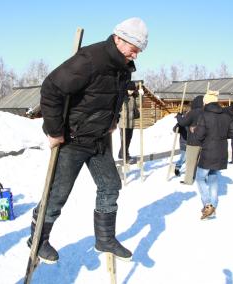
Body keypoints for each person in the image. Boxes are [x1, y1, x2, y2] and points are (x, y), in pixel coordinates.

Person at [27, 17, 148, 263]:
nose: (136, 55)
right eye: (134, 49)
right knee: (57, 194)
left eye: (140, 51)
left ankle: (105, 239)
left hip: (99, 139)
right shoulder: (90, 59)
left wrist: (112, 120)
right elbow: (51, 89)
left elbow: (111, 97)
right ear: (118, 39)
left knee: (110, 186)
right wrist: (55, 131)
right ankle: (38, 239)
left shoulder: (123, 67)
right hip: (72, 138)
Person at [193, 90, 233, 220]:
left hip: (208, 151)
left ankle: (208, 205)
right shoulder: (226, 115)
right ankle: (212, 206)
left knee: (200, 178)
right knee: (213, 177)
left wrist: (195, 130)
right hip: (221, 151)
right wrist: (221, 135)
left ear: (207, 102)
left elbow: (198, 136)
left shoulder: (204, 115)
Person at [176, 95, 204, 184]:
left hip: (193, 141)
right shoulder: (206, 112)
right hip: (204, 141)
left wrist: (179, 116)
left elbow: (183, 122)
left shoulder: (193, 112)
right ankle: (197, 177)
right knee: (199, 162)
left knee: (191, 162)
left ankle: (188, 180)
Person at [118, 84, 140, 163]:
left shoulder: (134, 97)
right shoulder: (122, 96)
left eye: (132, 90)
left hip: (131, 122)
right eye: (129, 90)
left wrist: (141, 95)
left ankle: (121, 153)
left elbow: (139, 104)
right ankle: (125, 156)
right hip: (123, 122)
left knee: (128, 139)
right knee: (124, 140)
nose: (131, 91)